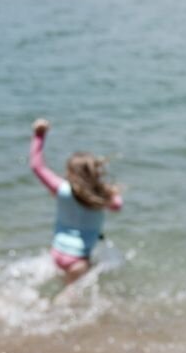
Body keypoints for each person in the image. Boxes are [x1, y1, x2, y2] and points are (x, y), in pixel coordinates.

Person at [29, 118, 123, 285]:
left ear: (69, 172)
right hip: (79, 260)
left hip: (56, 253)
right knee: (71, 296)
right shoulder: (101, 196)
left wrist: (39, 135)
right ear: (96, 172)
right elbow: (117, 205)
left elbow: (37, 166)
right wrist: (106, 189)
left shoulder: (61, 190)